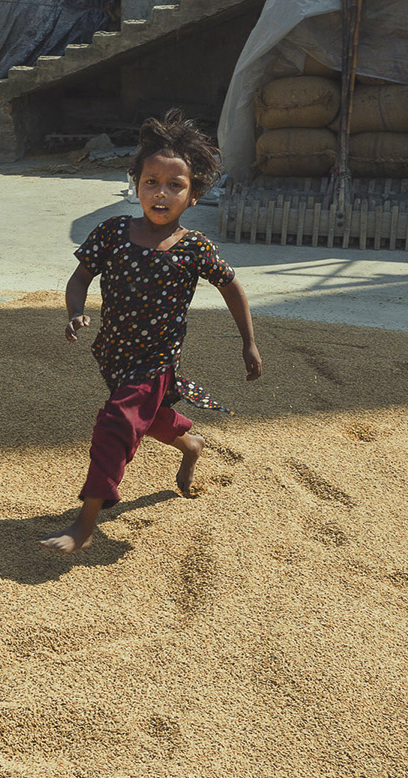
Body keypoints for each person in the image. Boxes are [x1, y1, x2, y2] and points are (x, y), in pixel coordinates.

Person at [41, 110, 261, 553]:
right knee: (148, 418)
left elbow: (232, 286)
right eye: (151, 182)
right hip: (113, 355)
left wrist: (248, 342)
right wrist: (74, 311)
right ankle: (191, 444)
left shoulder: (195, 248)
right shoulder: (113, 233)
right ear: (135, 184)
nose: (161, 193)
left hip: (157, 360)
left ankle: (84, 524)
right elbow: (80, 277)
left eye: (175, 185)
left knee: (117, 424)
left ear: (194, 195)